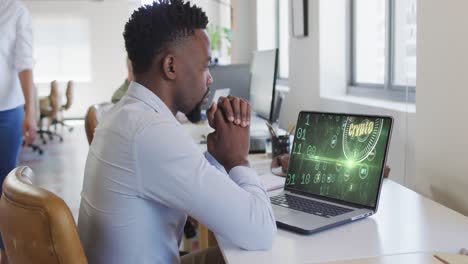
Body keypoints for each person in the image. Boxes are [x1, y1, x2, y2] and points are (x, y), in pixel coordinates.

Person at [77, 0, 276, 263]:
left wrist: (217, 156)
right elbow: (261, 232)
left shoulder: (127, 115)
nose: (210, 79)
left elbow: (191, 183)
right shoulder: (149, 132)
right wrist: (238, 159)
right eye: (205, 66)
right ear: (170, 66)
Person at [0, 0, 37, 263]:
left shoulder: (15, 11)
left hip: (7, 112)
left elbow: (24, 64)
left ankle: (5, 252)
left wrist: (30, 112)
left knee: (4, 187)